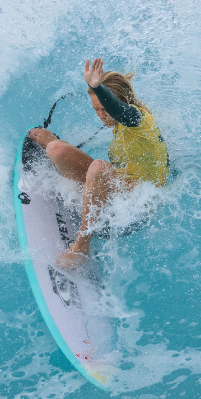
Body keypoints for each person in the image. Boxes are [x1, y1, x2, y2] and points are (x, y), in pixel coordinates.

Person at [27, 58, 169, 269]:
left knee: (99, 167)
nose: (102, 116)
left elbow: (119, 110)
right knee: (56, 150)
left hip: (137, 206)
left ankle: (82, 246)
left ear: (120, 102)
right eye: (96, 110)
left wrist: (96, 87)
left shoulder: (138, 120)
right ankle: (60, 155)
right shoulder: (119, 126)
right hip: (119, 186)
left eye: (104, 109)